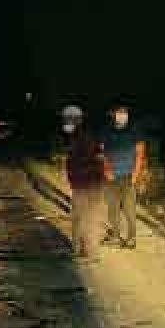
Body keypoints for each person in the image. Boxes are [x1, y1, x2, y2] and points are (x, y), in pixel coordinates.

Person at [99, 104, 147, 249]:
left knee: (129, 209)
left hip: (128, 176)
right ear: (113, 114)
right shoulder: (106, 131)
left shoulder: (134, 130)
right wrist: (106, 169)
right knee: (112, 208)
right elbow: (101, 152)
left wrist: (135, 175)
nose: (122, 115)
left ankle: (131, 238)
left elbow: (140, 153)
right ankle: (115, 235)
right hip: (111, 177)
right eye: (119, 112)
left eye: (124, 112)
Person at [63, 106, 107, 261]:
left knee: (87, 218)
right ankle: (80, 249)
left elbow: (92, 159)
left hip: (88, 183)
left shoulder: (84, 136)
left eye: (67, 118)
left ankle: (90, 253)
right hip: (83, 182)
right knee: (78, 217)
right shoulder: (77, 135)